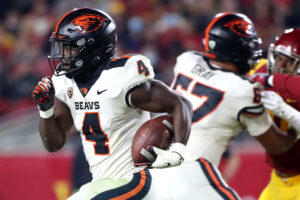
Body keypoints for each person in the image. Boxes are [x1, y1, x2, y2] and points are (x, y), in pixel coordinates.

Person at [32, 8, 240, 200]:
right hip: (104, 185)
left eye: (71, 49)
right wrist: (46, 110)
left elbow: (181, 104)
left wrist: (177, 151)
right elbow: (54, 144)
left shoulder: (120, 78)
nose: (63, 56)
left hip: (135, 180)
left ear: (92, 47)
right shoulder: (66, 83)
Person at [171, 12, 299, 169]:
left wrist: (269, 80)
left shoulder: (186, 60)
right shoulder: (245, 89)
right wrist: (295, 128)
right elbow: (277, 146)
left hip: (165, 155)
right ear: (235, 50)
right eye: (249, 46)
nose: (254, 52)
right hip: (195, 169)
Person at [247, 28, 300, 200]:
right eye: (278, 57)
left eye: (289, 61)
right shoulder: (262, 69)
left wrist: (270, 80)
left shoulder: (268, 77)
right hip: (278, 181)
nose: (280, 65)